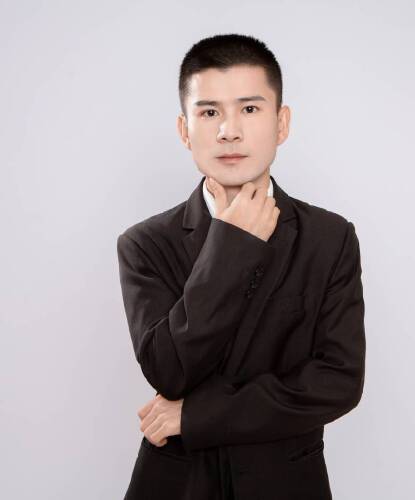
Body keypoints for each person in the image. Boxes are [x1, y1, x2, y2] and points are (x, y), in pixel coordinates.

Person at [117, 33, 366, 500]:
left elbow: (338, 381)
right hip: (176, 484)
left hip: (288, 483)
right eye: (209, 112)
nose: (229, 131)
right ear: (185, 130)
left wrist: (196, 416)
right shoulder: (144, 244)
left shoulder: (330, 238)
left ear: (281, 123)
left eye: (249, 109)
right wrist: (231, 245)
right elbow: (168, 371)